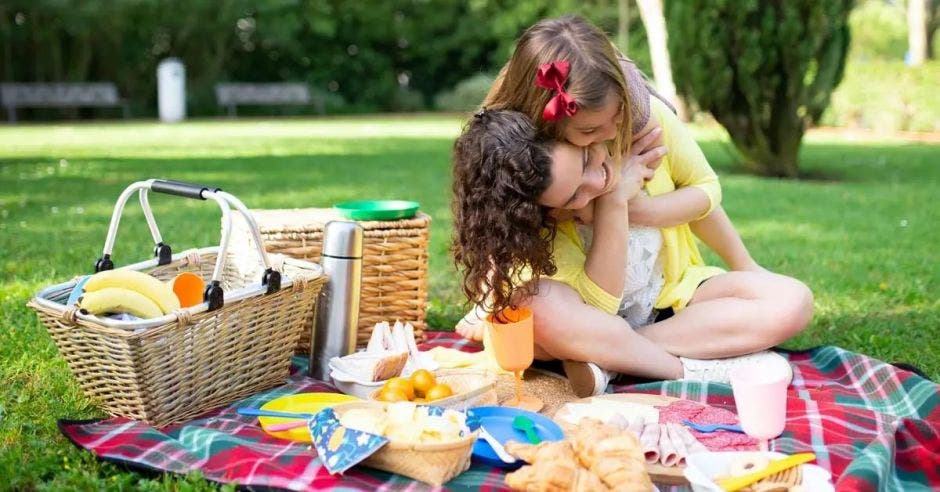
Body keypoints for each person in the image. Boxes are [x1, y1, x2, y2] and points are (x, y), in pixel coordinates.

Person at [451, 15, 813, 397]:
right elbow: (593, 307)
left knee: (792, 300)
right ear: (546, 126)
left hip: (667, 298)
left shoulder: (643, 125)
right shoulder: (535, 174)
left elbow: (706, 193)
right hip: (588, 312)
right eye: (589, 136)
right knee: (535, 312)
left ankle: (611, 359)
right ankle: (687, 366)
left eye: (615, 119)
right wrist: (612, 202)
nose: (608, 136)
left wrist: (629, 205)